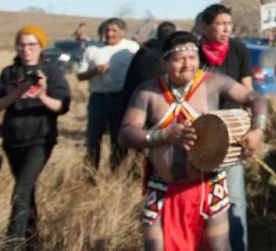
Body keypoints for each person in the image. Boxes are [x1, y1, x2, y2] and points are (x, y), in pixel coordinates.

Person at [119, 31, 269, 251]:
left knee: (218, 248)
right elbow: (125, 134)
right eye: (180, 59)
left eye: (193, 57)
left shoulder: (213, 83)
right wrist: (164, 135)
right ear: (164, 62)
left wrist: (258, 130)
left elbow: (255, 98)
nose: (188, 64)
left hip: (208, 187)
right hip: (161, 189)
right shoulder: (147, 92)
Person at [0, 26, 72, 249]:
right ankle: (33, 241)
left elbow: (61, 106)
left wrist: (41, 94)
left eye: (32, 44)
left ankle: (12, 243)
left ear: (41, 46)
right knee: (26, 192)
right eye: (22, 44)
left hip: (40, 139)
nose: (26, 49)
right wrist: (18, 91)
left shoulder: (51, 71)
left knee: (20, 191)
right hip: (12, 139)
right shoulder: (9, 72)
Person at [197, 3, 252, 251]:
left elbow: (248, 89)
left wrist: (251, 127)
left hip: (232, 134)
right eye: (220, 24)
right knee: (201, 196)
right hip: (201, 133)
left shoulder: (239, 49)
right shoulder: (194, 53)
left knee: (234, 198)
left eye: (229, 24)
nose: (226, 29)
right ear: (205, 26)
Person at [77, 17, 140, 169]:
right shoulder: (92, 49)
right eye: (107, 30)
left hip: (121, 98)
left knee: (118, 138)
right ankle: (91, 172)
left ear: (122, 32)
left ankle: (116, 171)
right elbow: (80, 75)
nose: (110, 34)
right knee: (93, 137)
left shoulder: (131, 48)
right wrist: (95, 71)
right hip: (98, 99)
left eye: (114, 31)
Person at [120, 22, 178, 123]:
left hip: (137, 101)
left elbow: (130, 79)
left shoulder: (143, 51)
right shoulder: (173, 54)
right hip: (163, 103)